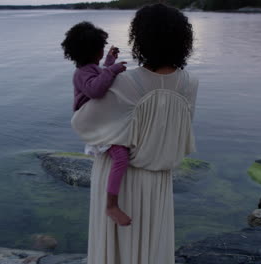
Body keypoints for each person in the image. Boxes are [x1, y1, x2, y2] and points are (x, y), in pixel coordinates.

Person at [71, 4, 197, 264]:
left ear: (140, 38)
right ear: (182, 40)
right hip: (159, 180)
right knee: (151, 247)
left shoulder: (125, 82)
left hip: (120, 181)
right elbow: (179, 135)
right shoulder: (189, 83)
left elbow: (83, 124)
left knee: (116, 251)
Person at [61, 22, 132, 226]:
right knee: (120, 156)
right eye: (101, 48)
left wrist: (109, 62)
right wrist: (113, 71)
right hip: (90, 121)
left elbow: (99, 75)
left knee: (122, 151)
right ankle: (112, 204)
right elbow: (96, 90)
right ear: (94, 51)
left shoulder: (88, 68)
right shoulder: (81, 74)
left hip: (99, 118)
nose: (103, 51)